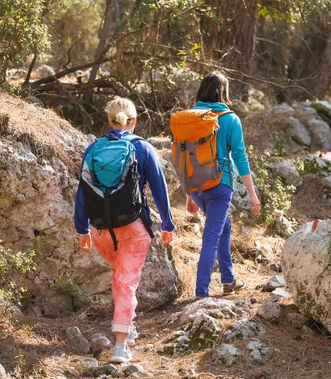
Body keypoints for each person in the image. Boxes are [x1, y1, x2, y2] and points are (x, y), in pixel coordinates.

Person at [74, 97, 175, 363]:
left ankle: (126, 326)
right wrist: (167, 223)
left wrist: (82, 229)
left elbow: (82, 193)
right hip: (133, 228)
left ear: (108, 121)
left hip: (101, 232)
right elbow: (159, 190)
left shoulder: (93, 148)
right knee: (126, 282)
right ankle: (120, 347)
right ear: (134, 121)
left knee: (120, 277)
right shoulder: (142, 148)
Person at [186, 71, 261, 299]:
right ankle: (201, 293)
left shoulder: (191, 117)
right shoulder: (230, 119)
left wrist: (190, 194)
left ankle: (228, 280)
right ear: (223, 92)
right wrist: (252, 193)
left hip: (197, 186)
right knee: (211, 236)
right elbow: (240, 156)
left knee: (224, 227)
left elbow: (186, 157)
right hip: (219, 187)